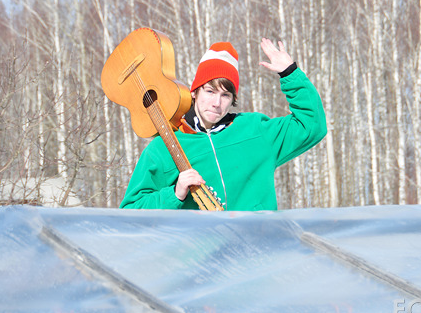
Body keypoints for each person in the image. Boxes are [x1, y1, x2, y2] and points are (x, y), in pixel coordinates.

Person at [119, 38, 326, 210]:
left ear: (232, 99)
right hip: (199, 258)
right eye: (209, 91)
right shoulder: (164, 148)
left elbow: (312, 125)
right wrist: (175, 194)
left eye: (225, 95)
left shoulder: (255, 131)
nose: (217, 103)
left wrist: (290, 73)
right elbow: (131, 211)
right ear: (194, 92)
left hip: (257, 252)